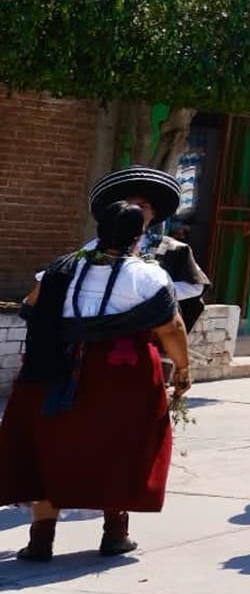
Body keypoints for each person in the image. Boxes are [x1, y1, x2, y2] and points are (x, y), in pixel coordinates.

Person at [0, 201, 192, 561]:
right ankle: (115, 535)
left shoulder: (61, 268)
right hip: (121, 375)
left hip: (53, 367)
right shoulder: (147, 276)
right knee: (119, 448)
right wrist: (183, 369)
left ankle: (41, 540)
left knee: (48, 445)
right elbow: (172, 326)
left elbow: (30, 305)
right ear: (139, 237)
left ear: (99, 230)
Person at [83, 166, 212, 335]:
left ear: (153, 213)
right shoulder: (94, 247)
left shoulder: (174, 249)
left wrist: (148, 294)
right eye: (129, 206)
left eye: (142, 206)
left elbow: (194, 288)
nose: (136, 211)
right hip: (100, 330)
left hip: (151, 333)